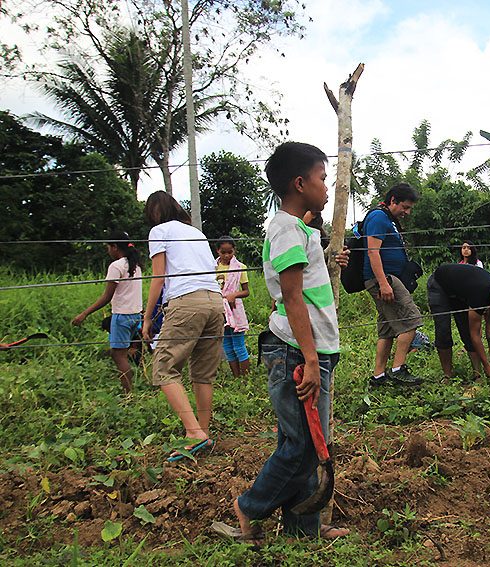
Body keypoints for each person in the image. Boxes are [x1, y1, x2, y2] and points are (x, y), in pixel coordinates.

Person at [233, 141, 347, 543]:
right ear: (300, 184)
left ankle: (303, 530)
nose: (328, 186)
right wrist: (312, 360)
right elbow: (293, 296)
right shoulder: (283, 230)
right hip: (296, 350)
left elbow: (309, 285)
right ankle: (249, 507)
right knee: (301, 445)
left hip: (312, 348)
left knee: (308, 440)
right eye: (321, 177)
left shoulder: (299, 229)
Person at [141, 191, 224, 461]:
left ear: (154, 212)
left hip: (187, 301)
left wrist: (148, 316)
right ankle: (203, 432)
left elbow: (159, 277)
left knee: (164, 367)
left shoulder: (159, 231)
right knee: (203, 372)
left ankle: (193, 432)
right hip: (214, 301)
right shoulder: (195, 233)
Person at [362, 182, 423, 387]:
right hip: (385, 279)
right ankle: (398, 369)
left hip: (386, 278)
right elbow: (372, 251)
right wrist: (383, 283)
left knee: (387, 330)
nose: (406, 212)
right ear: (392, 201)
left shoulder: (388, 219)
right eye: (404, 207)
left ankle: (378, 376)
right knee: (412, 320)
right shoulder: (379, 217)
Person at [72, 230, 143, 394]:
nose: (108, 251)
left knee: (119, 356)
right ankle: (131, 383)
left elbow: (106, 297)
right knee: (120, 352)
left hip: (121, 317)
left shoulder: (116, 266)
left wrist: (84, 313)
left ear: (115, 247)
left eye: (108, 247)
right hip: (135, 315)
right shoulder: (135, 265)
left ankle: (128, 394)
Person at [427, 263, 490, 379]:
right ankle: (448, 375)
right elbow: (475, 335)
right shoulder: (480, 295)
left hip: (460, 291)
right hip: (440, 284)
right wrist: (486, 364)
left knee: (465, 330)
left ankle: (477, 375)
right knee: (443, 330)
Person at [215, 236, 251, 378]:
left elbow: (246, 291)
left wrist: (233, 295)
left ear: (234, 250)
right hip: (220, 310)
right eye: (223, 252)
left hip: (234, 309)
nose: (227, 255)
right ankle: (237, 377)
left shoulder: (240, 268)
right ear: (218, 251)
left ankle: (245, 379)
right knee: (227, 347)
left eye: (230, 252)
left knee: (239, 346)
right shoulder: (213, 268)